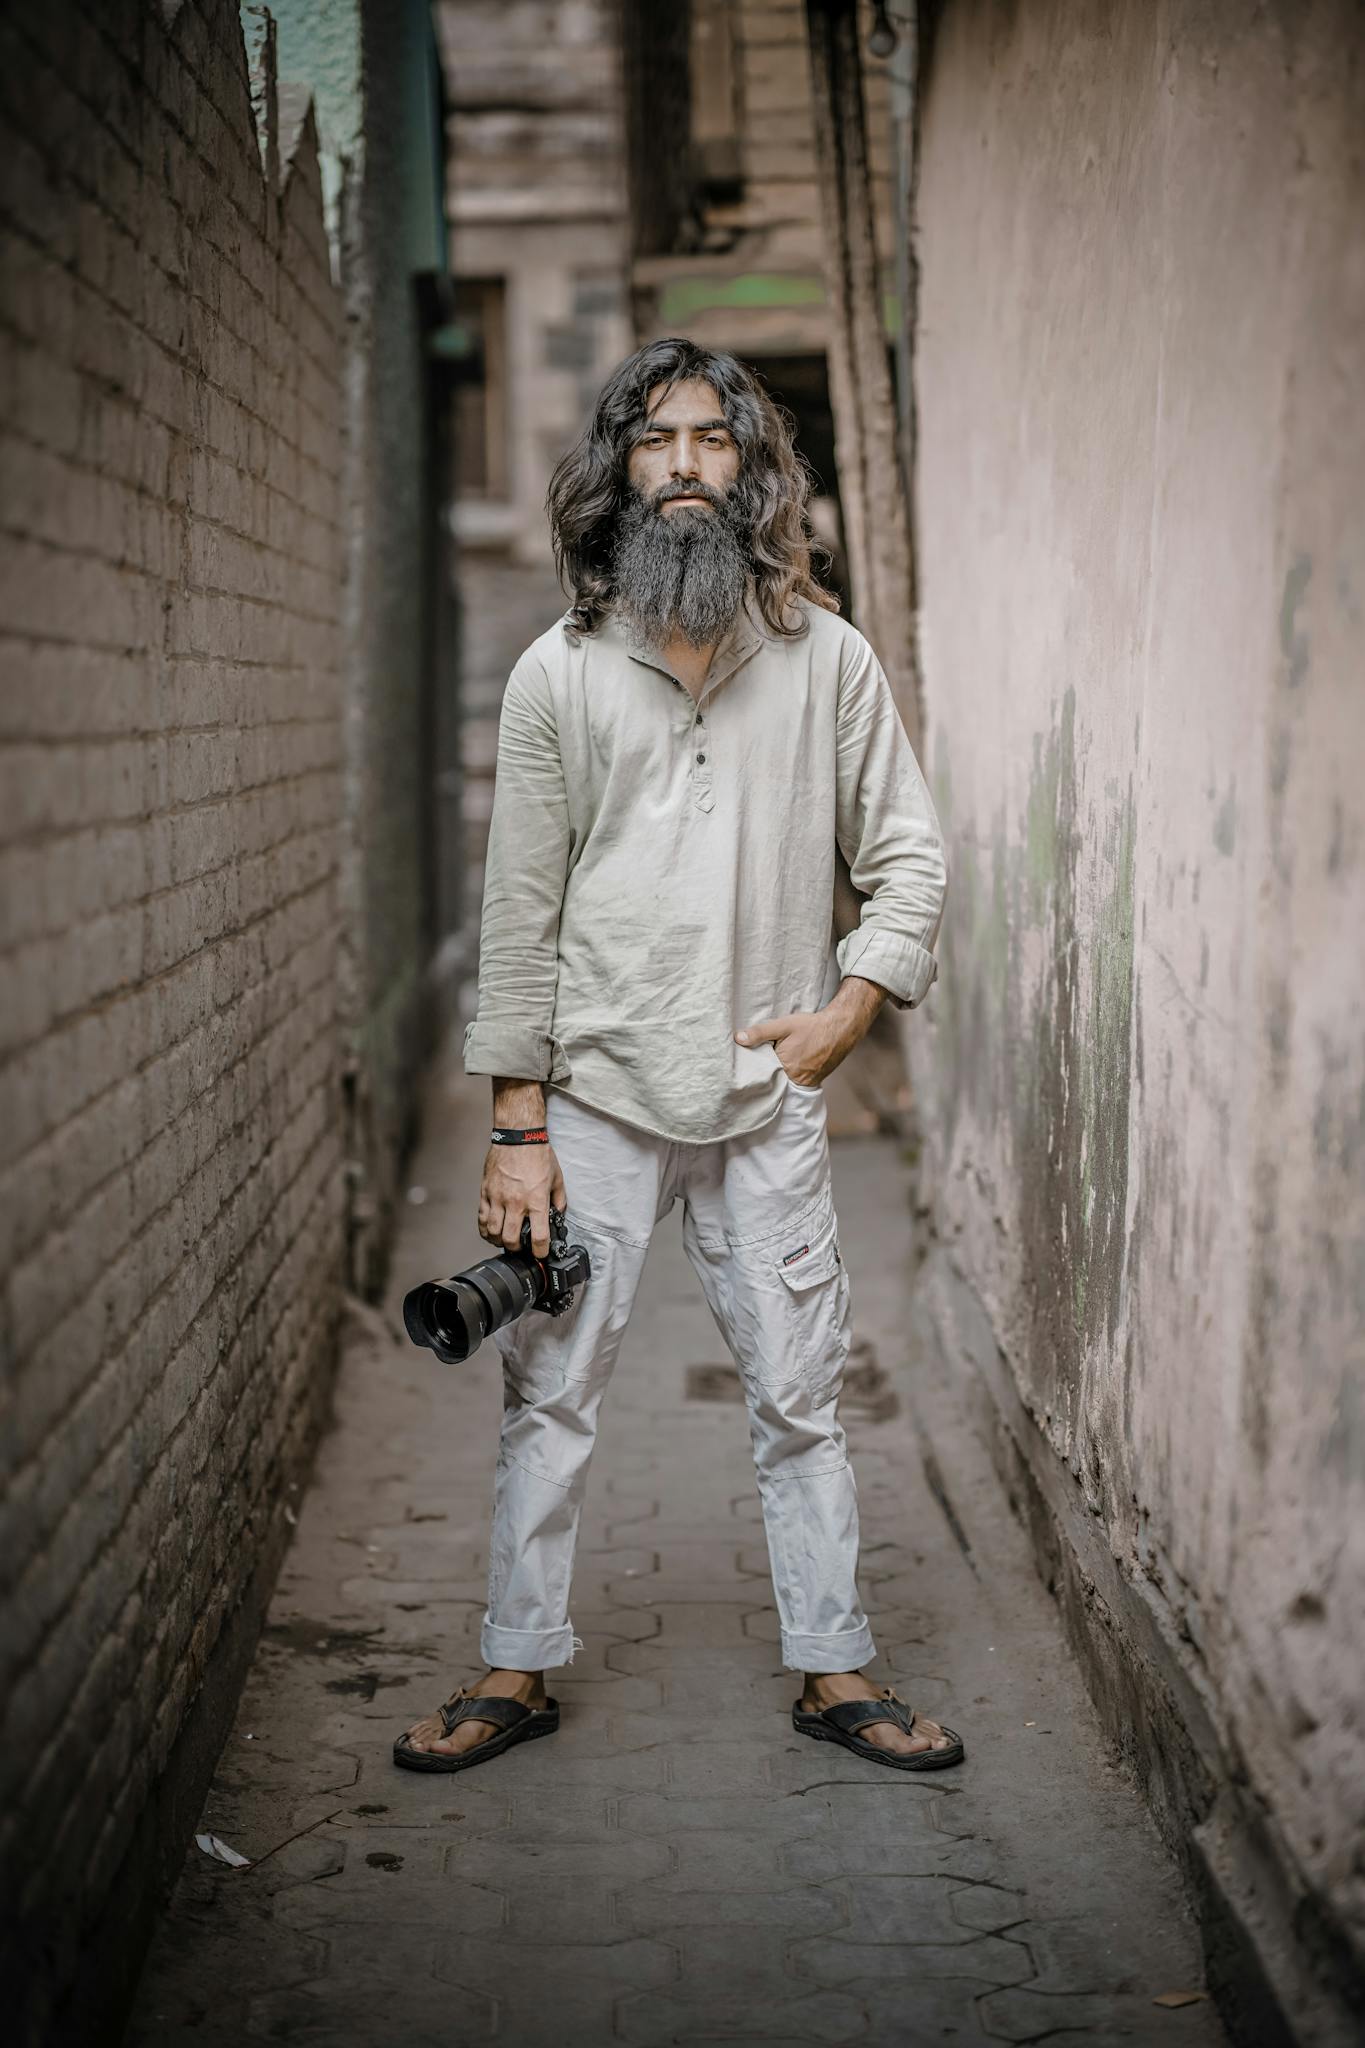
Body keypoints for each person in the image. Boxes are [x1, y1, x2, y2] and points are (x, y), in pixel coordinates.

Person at [395, 338, 962, 1776]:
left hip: (766, 1099)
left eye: (716, 440)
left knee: (797, 1396)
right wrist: (515, 1124)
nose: (689, 465)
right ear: (618, 475)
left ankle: (834, 1670)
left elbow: (906, 859)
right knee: (553, 1394)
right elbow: (516, 912)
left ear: (752, 470)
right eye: (658, 442)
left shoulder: (825, 660)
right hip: (593, 1096)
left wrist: (848, 1010)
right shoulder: (557, 676)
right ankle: (514, 1669)